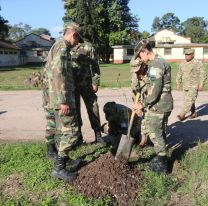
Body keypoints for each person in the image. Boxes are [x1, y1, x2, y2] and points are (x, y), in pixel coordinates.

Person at [46, 21, 83, 182]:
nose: (78, 44)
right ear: (73, 34)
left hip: (61, 97)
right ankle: (59, 168)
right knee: (72, 132)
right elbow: (58, 74)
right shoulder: (62, 48)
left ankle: (65, 160)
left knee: (63, 131)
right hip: (63, 99)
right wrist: (63, 101)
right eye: (78, 39)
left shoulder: (61, 47)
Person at [133, 39, 173, 174]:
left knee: (156, 133)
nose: (140, 58)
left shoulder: (156, 65)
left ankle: (163, 165)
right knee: (160, 131)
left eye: (140, 55)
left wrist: (141, 105)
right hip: (161, 104)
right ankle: (161, 157)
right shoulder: (159, 61)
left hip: (159, 105)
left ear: (145, 51)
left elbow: (155, 92)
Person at [71, 41, 104, 144]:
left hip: (87, 84)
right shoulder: (66, 46)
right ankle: (78, 137)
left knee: (93, 108)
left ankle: (98, 135)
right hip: (72, 85)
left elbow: (95, 65)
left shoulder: (88, 46)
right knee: (75, 110)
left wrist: (95, 82)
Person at [24, 63, 57, 160]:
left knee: (55, 125)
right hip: (49, 103)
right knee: (51, 125)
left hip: (53, 102)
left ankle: (54, 148)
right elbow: (29, 82)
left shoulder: (49, 71)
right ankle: (50, 151)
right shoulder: (46, 72)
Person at [176, 48, 207, 121]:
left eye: (188, 54)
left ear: (193, 55)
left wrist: (201, 84)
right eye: (185, 54)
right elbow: (179, 73)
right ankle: (193, 113)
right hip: (185, 85)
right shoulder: (182, 63)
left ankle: (182, 114)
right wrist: (178, 83)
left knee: (189, 100)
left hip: (194, 85)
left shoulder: (197, 63)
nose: (186, 56)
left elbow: (203, 73)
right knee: (189, 100)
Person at [130, 51, 149, 147]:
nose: (136, 72)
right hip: (141, 94)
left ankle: (149, 137)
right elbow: (135, 91)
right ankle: (142, 137)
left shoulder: (152, 70)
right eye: (135, 70)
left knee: (150, 114)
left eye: (138, 69)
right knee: (140, 115)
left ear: (143, 66)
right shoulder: (135, 74)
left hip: (152, 95)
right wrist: (138, 105)